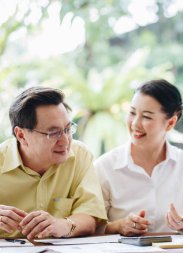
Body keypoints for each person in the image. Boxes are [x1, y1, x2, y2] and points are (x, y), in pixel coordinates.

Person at [95, 79, 183, 235]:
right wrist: (118, 226)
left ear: (170, 123)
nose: (135, 123)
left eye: (146, 117)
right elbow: (91, 225)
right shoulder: (105, 166)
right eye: (132, 113)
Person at [0, 87, 107, 240]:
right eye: (53, 133)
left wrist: (61, 225)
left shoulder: (80, 155)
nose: (65, 141)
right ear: (21, 135)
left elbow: (90, 217)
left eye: (68, 129)